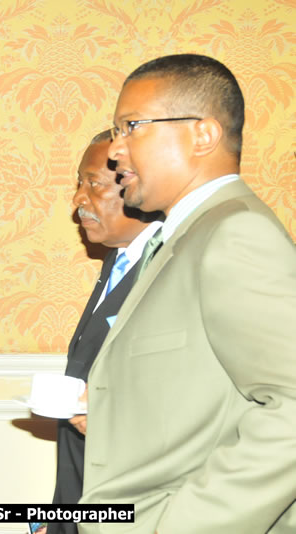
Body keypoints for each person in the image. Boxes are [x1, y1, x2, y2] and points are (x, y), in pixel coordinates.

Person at [79, 54, 296, 533]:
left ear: (204, 134)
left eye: (131, 126)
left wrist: (185, 525)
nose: (116, 150)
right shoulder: (184, 234)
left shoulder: (236, 233)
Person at [47, 131, 162, 534]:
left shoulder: (168, 269)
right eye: (79, 183)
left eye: (93, 183)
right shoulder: (118, 260)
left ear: (135, 184)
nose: (79, 199)